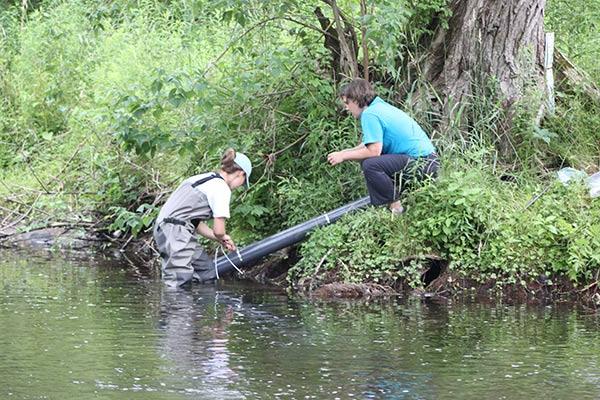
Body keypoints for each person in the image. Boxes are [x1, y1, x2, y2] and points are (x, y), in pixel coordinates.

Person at [327, 78, 439, 214]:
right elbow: (368, 144)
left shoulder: (370, 114)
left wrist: (343, 156)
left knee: (370, 164)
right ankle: (396, 200)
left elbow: (374, 151)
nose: (346, 108)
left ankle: (396, 208)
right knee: (370, 161)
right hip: (430, 163)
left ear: (356, 100)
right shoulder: (379, 107)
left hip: (422, 164)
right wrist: (345, 152)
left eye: (347, 103)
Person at [153, 148, 252, 287]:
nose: (240, 186)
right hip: (175, 231)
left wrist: (219, 238)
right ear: (240, 174)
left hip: (170, 228)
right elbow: (219, 230)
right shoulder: (221, 188)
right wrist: (221, 235)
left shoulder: (203, 178)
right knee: (179, 279)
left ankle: (195, 307)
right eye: (243, 182)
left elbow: (194, 221)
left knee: (206, 271)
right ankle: (177, 307)